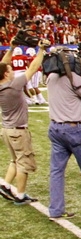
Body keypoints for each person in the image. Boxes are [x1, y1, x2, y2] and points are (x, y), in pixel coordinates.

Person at [45, 51, 81, 220]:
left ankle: (56, 209)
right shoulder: (73, 79)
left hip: (55, 127)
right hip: (74, 129)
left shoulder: (51, 77)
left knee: (56, 171)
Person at [0, 39, 48, 204]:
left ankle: (6, 185)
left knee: (15, 160)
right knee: (23, 164)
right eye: (10, 69)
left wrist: (11, 48)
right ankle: (20, 196)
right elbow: (33, 68)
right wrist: (41, 50)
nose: (12, 70)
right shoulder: (14, 86)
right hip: (18, 130)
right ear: (6, 74)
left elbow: (2, 65)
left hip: (7, 129)